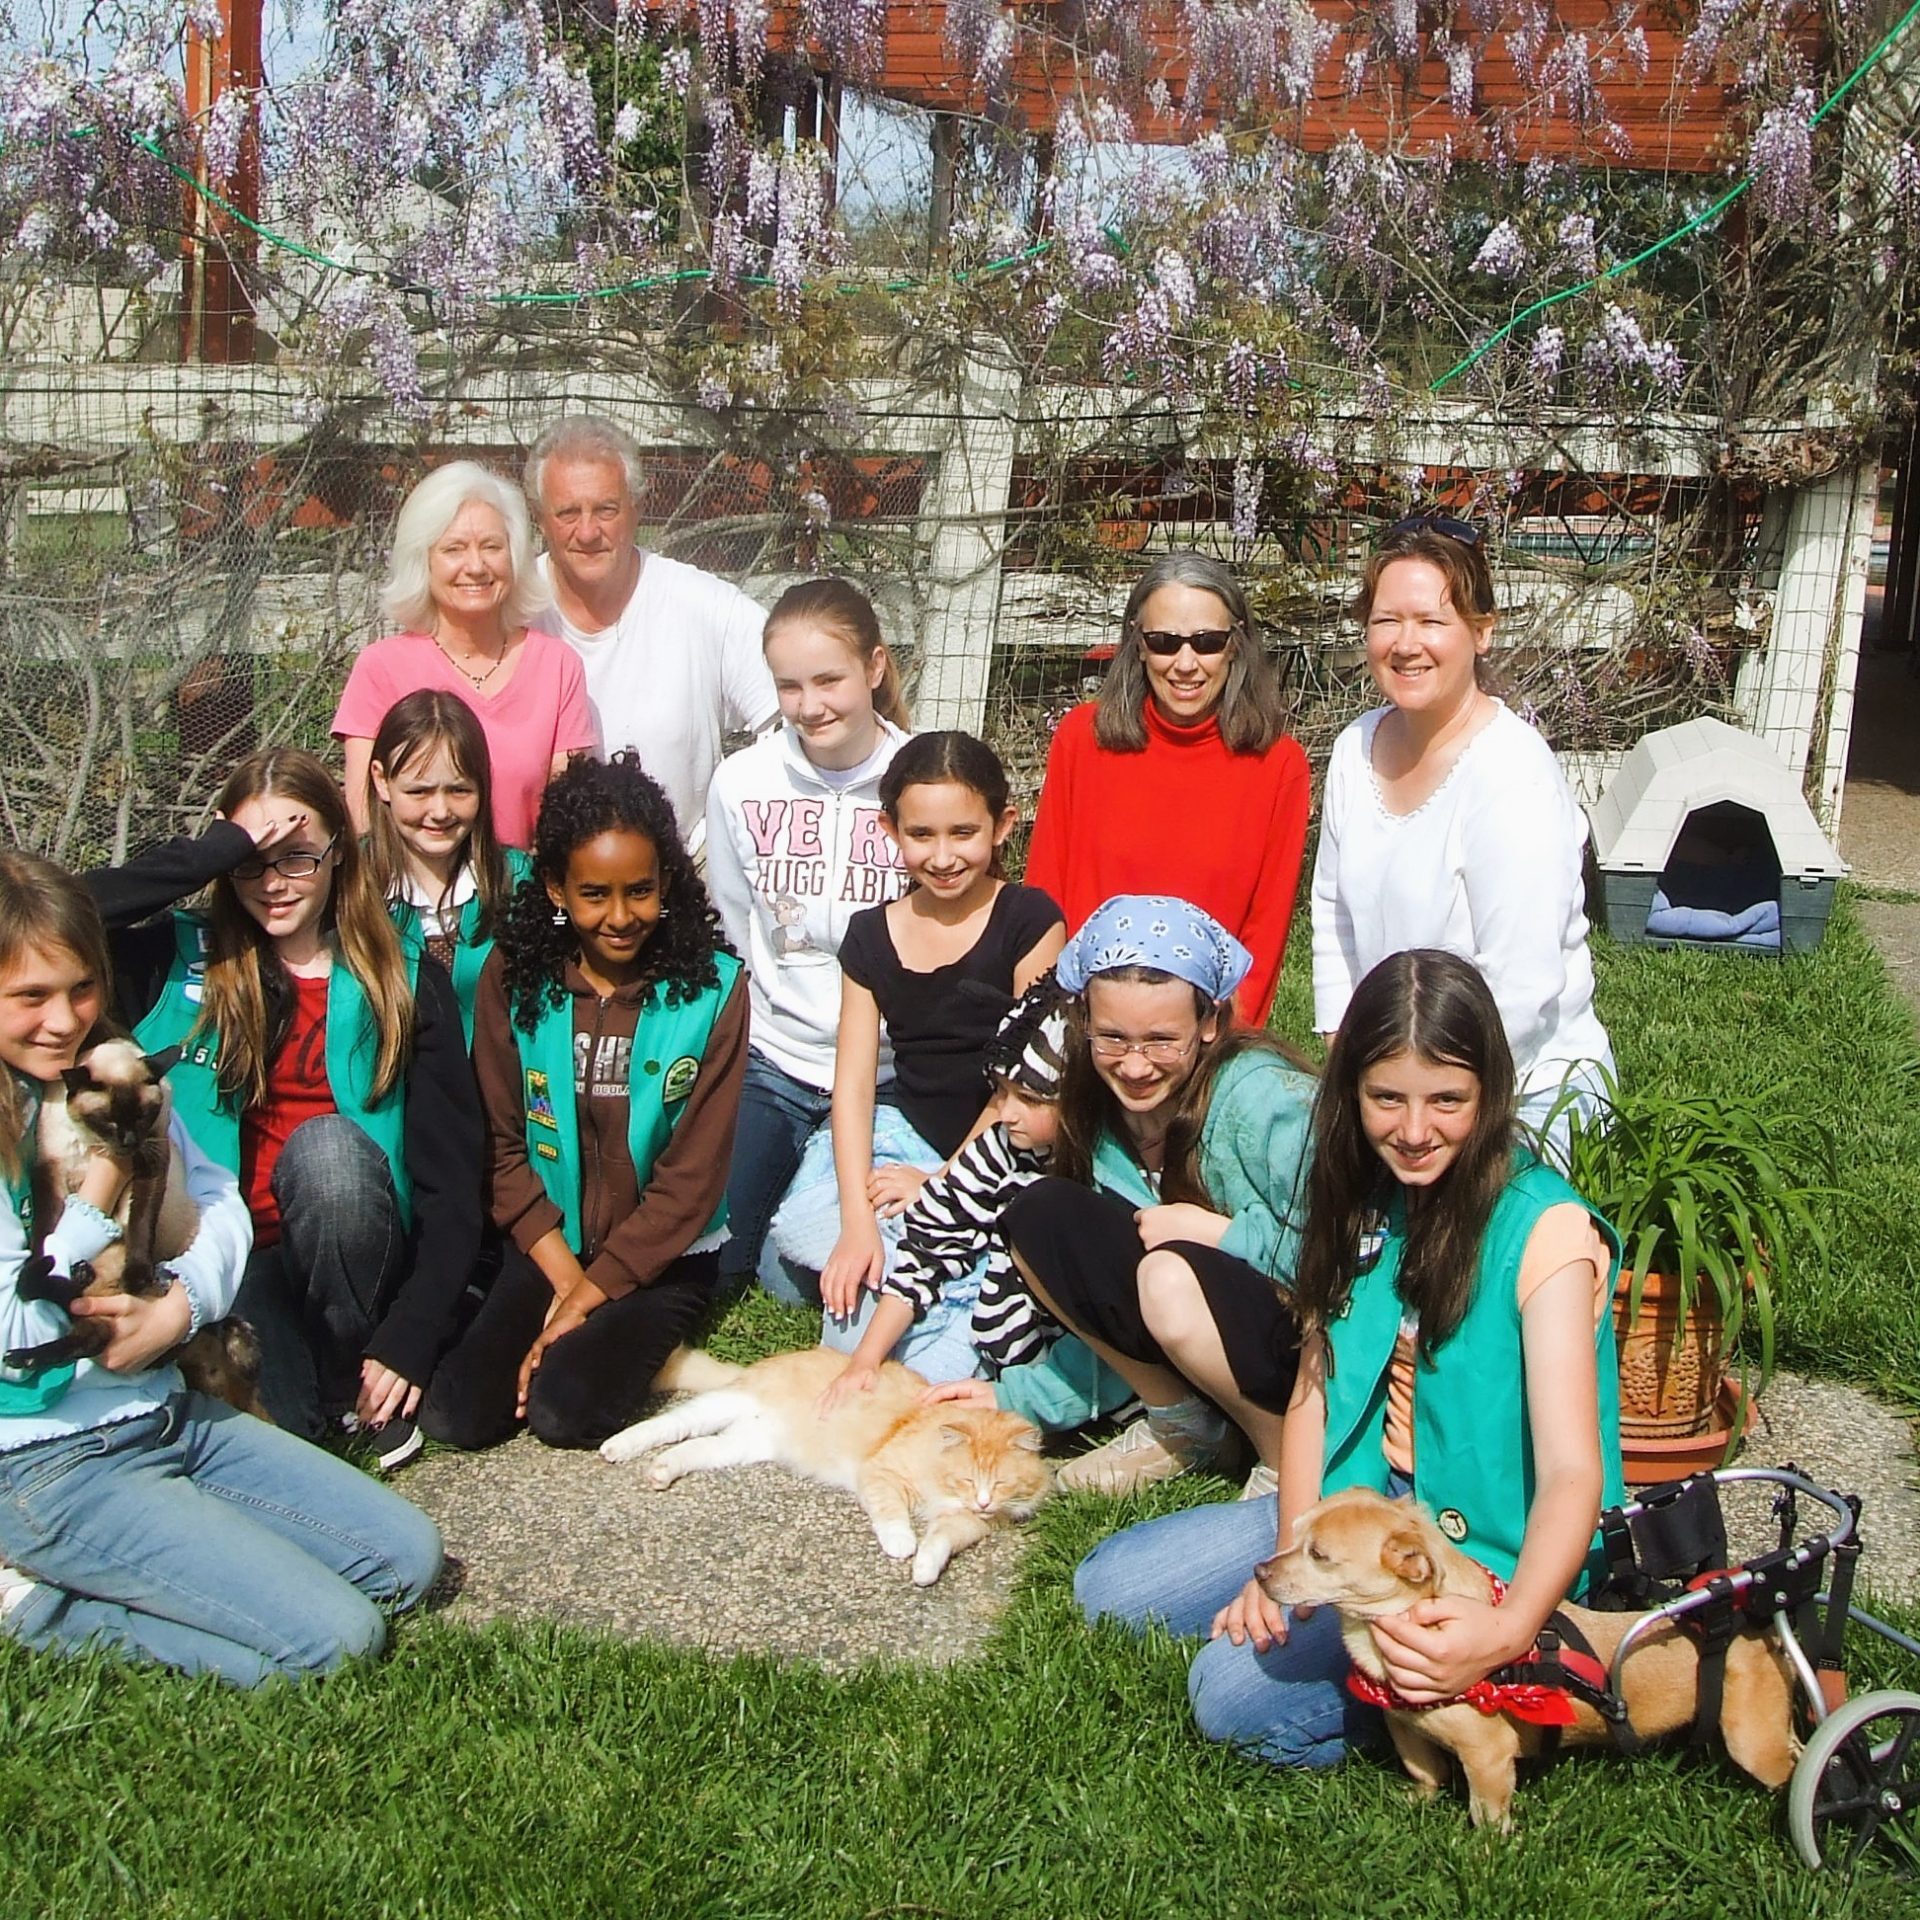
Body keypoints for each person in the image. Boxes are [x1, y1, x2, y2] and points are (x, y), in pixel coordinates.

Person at [1076, 949, 1624, 1772]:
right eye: (1385, 1099)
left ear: (1489, 1094)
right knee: (1107, 1589)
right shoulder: (1363, 1197)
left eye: (1448, 1101)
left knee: (1228, 1701)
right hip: (1358, 1509)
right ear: (1351, 1093)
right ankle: (1378, 1655)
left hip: (1477, 1556)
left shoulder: (1543, 1229)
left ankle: (1465, 1704)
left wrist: (1507, 1630)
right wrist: (1296, 1563)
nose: (1413, 1130)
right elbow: (1314, 1391)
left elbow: (1574, 1472)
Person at [0, 849, 442, 1684]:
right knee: (333, 1642)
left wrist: (178, 1310)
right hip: (42, 1457)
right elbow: (17, 1332)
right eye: (31, 997)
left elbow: (219, 1202)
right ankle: (38, 1604)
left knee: (405, 1562)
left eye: (81, 990)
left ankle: (180, 1545)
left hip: (167, 1410)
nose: (63, 1020)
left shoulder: (106, 1070)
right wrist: (105, 1182)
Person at [92, 749, 483, 1468]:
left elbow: (454, 1180)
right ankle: (316, 1398)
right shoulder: (177, 960)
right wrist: (216, 850)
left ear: (339, 849)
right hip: (227, 1258)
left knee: (326, 1152)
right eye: (252, 863)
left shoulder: (397, 969)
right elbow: (51, 916)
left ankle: (350, 1367)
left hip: (358, 1251)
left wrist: (411, 1334)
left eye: (297, 857)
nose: (273, 883)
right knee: (285, 1442)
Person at [419, 755, 748, 1451]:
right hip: (548, 1245)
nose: (622, 917)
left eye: (642, 891)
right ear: (555, 888)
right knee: (457, 1417)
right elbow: (502, 1149)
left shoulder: (713, 992)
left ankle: (648, 1346)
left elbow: (690, 1185)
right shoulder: (510, 977)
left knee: (562, 1412)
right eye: (595, 894)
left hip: (659, 1259)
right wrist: (568, 1289)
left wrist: (594, 1296)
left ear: (668, 882)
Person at [997, 895, 1317, 1496]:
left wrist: (1219, 1234)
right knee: (1039, 1215)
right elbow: (1107, 1300)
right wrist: (1010, 1400)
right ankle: (1185, 1423)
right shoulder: (1095, 1112)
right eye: (1113, 1038)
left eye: (1162, 1040)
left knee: (1167, 1276)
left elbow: (1351, 1260)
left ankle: (1285, 1461)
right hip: (1192, 1328)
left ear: (1210, 1023)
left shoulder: (1266, 1104)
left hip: (1301, 1349)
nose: (1136, 1065)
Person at [1311, 513, 1614, 1135]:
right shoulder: (1353, 749)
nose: (1405, 643)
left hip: (1518, 1087)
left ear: (1481, 632)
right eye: (1386, 620)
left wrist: (1424, 1109)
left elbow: (1519, 989)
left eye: (1431, 621)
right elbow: (1333, 918)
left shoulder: (1511, 772)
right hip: (1393, 1083)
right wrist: (1355, 1072)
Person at [772, 731, 1064, 1367]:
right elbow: (852, 1083)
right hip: (906, 1134)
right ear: (890, 830)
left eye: (963, 833)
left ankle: (950, 1290)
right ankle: (904, 1260)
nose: (943, 855)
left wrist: (943, 1182)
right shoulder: (871, 935)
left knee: (932, 1317)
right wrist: (856, 1219)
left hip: (1001, 1145)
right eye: (921, 835)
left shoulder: (1029, 919)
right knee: (795, 1245)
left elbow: (1026, 1078)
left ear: (1002, 825)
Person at [704, 577, 913, 1301]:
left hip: (890, 1071)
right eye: (788, 686)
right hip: (777, 1058)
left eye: (829, 680)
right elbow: (733, 916)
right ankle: (795, 1169)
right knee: (721, 1261)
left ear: (875, 668)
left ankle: (818, 1182)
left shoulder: (918, 781)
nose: (809, 705)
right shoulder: (741, 782)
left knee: (797, 1278)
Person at [821, 982, 1134, 1434]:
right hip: (1002, 1350)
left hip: (1078, 1372)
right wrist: (866, 1360)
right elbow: (929, 1246)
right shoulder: (1003, 1147)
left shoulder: (1108, 1175)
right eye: (1002, 1092)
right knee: (856, 1349)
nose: (1006, 1113)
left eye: (1030, 1099)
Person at [1024, 553, 1310, 1027]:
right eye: (1163, 642)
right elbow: (1044, 899)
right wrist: (1046, 1027)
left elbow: (1265, 933)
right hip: (1086, 1024)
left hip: (1203, 1034)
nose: (1185, 664)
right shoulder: (1081, 740)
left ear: (1236, 645)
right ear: (1137, 644)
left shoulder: (1278, 765)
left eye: (1207, 642)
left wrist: (1221, 1048)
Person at [526, 415, 777, 852]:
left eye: (606, 509)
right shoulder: (512, 610)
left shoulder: (701, 604)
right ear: (539, 518)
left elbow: (799, 706)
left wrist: (747, 820)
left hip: (682, 877)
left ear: (637, 508)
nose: (587, 532)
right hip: (542, 878)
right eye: (568, 512)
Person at [335, 460, 597, 849]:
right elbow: (364, 818)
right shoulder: (381, 668)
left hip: (522, 893)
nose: (475, 566)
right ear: (423, 560)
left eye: (492, 547)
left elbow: (569, 817)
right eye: (454, 549)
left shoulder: (557, 667)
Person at [361, 689, 533, 1045]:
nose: (440, 812)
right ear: (382, 780)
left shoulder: (517, 879)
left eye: (459, 790)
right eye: (419, 792)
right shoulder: (351, 880)